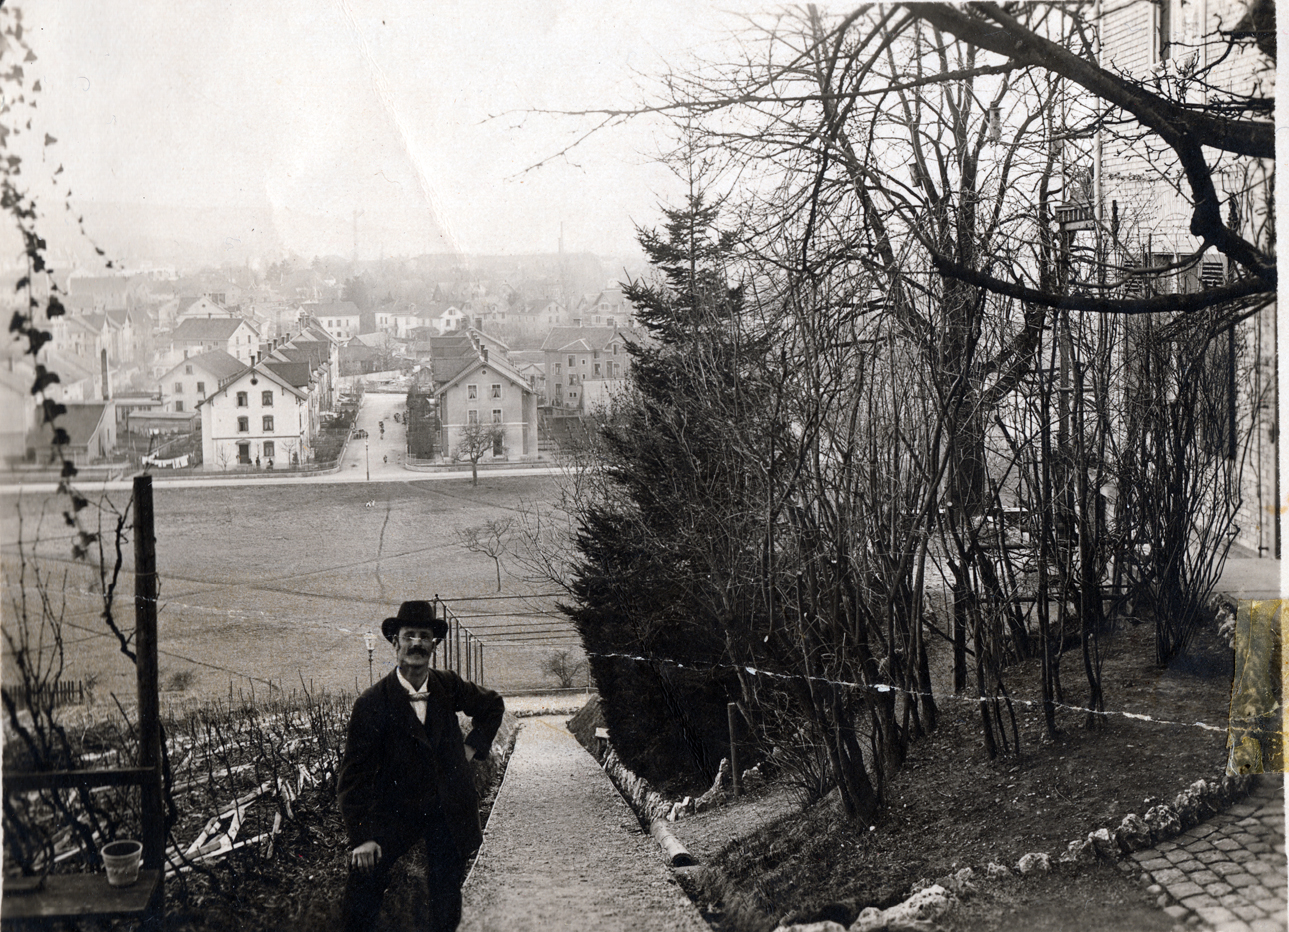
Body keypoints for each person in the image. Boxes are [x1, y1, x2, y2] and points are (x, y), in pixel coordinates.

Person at [338, 600, 504, 932]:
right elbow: (354, 776)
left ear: (434, 644)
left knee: (446, 893)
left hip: (447, 806)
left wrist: (471, 748)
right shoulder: (372, 703)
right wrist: (363, 837)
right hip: (396, 809)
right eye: (409, 636)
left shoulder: (447, 685)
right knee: (363, 883)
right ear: (395, 642)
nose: (417, 643)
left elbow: (492, 705)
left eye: (424, 636)